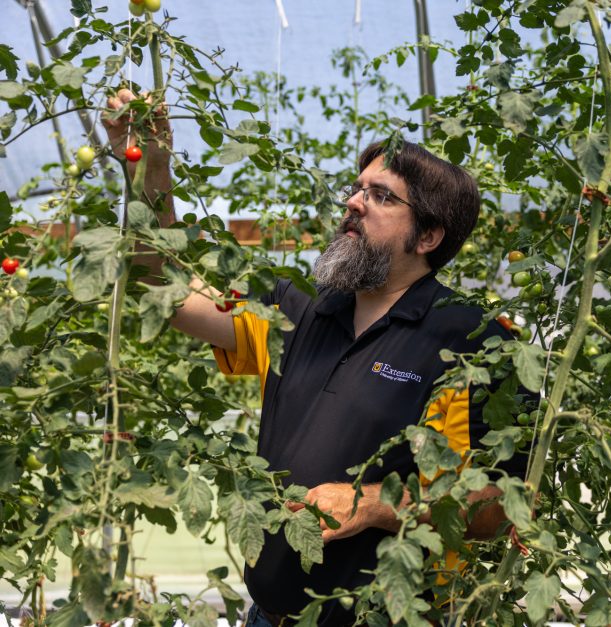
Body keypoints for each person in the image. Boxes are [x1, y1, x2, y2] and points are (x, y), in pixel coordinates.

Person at [104, 89, 525, 625]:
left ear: (430, 236)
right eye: (357, 188)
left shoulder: (477, 342)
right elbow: (164, 289)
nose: (353, 202)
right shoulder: (297, 308)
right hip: (270, 616)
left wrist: (374, 504)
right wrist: (150, 167)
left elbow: (499, 506)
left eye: (382, 196)